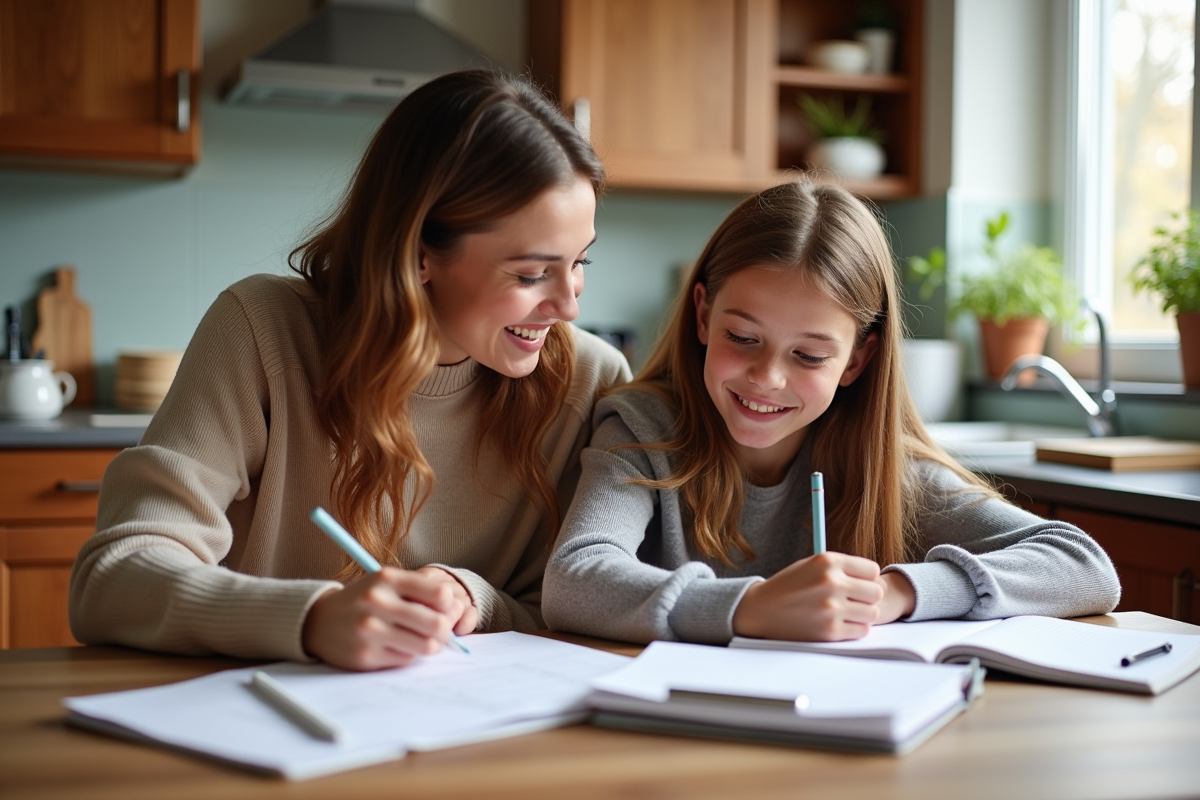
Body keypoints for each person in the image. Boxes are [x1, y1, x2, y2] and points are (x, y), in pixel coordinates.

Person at [69, 70, 631, 670]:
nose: (570, 305)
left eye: (579, 261)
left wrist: (476, 599)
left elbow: (592, 609)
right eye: (529, 274)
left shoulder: (590, 381)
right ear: (418, 255)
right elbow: (112, 577)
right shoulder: (264, 331)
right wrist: (310, 620)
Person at [543, 180, 1120, 646]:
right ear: (703, 315)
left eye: (809, 355)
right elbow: (574, 580)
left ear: (857, 358)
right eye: (742, 337)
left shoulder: (881, 464)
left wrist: (897, 593)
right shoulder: (643, 426)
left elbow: (1083, 563)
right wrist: (749, 607)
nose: (767, 377)